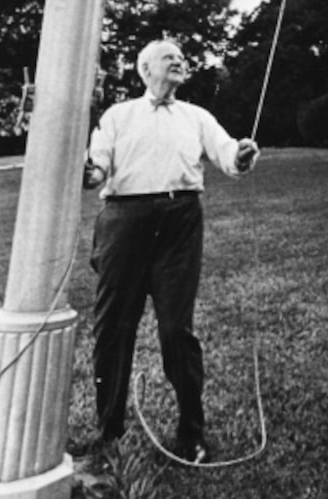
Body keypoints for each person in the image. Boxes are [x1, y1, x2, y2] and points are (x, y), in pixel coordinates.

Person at [83, 38, 259, 463]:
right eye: (169, 57)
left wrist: (242, 154)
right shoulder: (118, 115)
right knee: (113, 329)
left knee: (175, 331)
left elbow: (227, 154)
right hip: (124, 222)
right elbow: (96, 171)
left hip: (180, 223)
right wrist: (87, 170)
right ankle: (108, 433)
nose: (180, 61)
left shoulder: (196, 115)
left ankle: (191, 434)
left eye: (181, 57)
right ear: (145, 70)